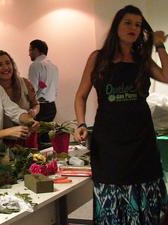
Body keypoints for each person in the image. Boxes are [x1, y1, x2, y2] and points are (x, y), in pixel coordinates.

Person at [74, 5, 168, 224]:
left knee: (145, 206)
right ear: (116, 25)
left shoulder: (142, 59)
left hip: (142, 142)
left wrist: (159, 44)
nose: (133, 28)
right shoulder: (98, 58)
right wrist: (80, 123)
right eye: (127, 22)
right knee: (111, 204)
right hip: (109, 144)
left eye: (137, 24)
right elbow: (80, 96)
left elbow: (166, 75)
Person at [0, 50, 40, 131]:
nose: (5, 67)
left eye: (8, 63)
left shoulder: (25, 83)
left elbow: (36, 104)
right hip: (2, 139)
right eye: (0, 65)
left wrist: (33, 111)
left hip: (27, 136)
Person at [28, 39, 59, 122]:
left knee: (37, 134)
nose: (29, 54)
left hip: (40, 109)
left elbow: (32, 89)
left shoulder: (35, 65)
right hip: (52, 107)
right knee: (47, 134)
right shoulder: (54, 67)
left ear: (36, 50)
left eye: (30, 50)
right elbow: (56, 90)